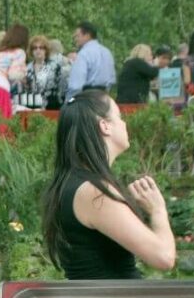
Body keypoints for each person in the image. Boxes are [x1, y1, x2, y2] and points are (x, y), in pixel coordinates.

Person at [42, 90, 176, 279]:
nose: (124, 123)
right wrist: (158, 211)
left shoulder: (75, 183)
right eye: (119, 116)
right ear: (105, 126)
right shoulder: (95, 193)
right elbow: (164, 257)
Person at [65, 21, 116, 101]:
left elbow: (76, 86)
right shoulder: (107, 52)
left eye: (77, 36)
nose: (75, 39)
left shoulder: (83, 54)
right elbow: (111, 79)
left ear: (87, 35)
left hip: (87, 101)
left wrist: (69, 102)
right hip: (104, 101)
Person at [25, 35, 63, 109]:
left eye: (41, 48)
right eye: (35, 48)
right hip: (31, 107)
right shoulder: (27, 68)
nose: (38, 50)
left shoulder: (54, 66)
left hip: (51, 106)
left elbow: (60, 88)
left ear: (46, 50)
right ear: (31, 51)